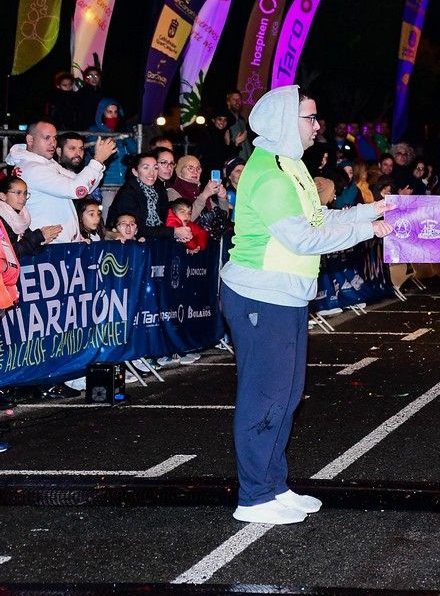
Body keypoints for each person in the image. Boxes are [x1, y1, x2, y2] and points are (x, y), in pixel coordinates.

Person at [219, 85, 392, 525]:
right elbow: (303, 237)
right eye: (309, 118)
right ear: (282, 121)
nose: (318, 126)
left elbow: (320, 219)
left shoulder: (291, 166)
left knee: (287, 394)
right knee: (266, 395)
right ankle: (254, 496)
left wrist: (373, 213)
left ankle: (273, 486)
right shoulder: (271, 174)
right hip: (261, 294)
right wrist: (369, 232)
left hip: (285, 294)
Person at [4, 122, 113, 242]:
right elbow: (77, 190)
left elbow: (84, 186)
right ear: (30, 140)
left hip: (58, 245)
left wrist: (99, 164)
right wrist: (97, 161)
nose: (53, 143)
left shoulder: (46, 163)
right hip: (48, 246)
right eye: (46, 138)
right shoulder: (33, 168)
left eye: (55, 138)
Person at [106, 153, 193, 245]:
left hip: (152, 241)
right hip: (127, 244)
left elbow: (163, 220)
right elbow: (137, 229)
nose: (151, 173)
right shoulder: (128, 193)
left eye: (155, 168)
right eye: (146, 168)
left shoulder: (158, 189)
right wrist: (174, 232)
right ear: (135, 172)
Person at [0, 176, 61, 258]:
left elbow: (28, 250)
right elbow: (9, 254)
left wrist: (41, 241)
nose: (23, 198)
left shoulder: (21, 217)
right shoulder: (2, 220)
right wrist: (38, 236)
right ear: (3, 196)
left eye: (25, 193)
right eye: (18, 193)